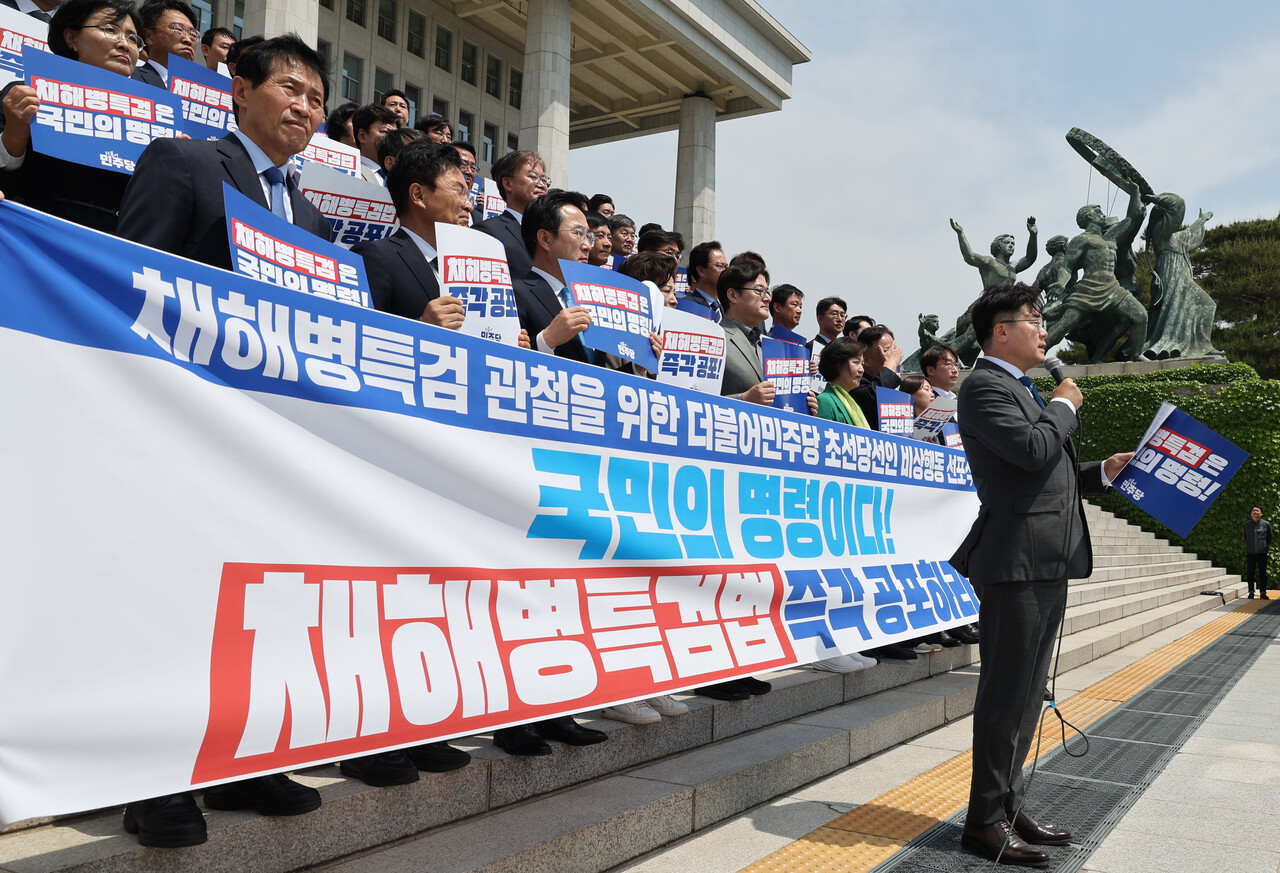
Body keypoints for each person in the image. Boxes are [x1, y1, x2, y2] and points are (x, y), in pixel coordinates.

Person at [115, 33, 337, 847]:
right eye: (290, 88)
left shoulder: (311, 217)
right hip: (187, 420)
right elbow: (132, 280)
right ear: (238, 89)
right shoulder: (183, 161)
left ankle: (243, 760)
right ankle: (153, 779)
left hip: (273, 439)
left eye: (316, 98)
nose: (305, 107)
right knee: (178, 597)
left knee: (255, 601)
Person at [951, 282, 1132, 867]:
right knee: (1006, 695)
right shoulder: (983, 386)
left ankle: (1007, 805)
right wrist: (1065, 405)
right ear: (1001, 331)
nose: (1044, 329)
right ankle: (982, 821)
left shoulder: (1020, 388)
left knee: (1029, 696)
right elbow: (1031, 450)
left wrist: (1101, 471)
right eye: (1033, 318)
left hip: (1046, 558)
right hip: (1015, 561)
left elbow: (1044, 471)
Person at [0, 0, 143, 231]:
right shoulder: (25, 95)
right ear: (71, 38)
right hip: (36, 236)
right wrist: (13, 138)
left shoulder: (151, 116)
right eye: (110, 29)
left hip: (117, 245)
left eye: (133, 39)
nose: (125, 44)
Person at [351, 141, 468, 326]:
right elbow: (359, 331)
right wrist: (422, 325)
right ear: (418, 195)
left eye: (467, 195)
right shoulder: (375, 257)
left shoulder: (465, 267)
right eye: (458, 191)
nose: (468, 205)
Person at [475, 148, 547, 280]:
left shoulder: (551, 234)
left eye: (544, 179)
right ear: (508, 184)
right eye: (533, 176)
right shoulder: (488, 232)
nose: (541, 184)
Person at [131, 0, 197, 88]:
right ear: (149, 36)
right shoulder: (130, 78)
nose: (188, 40)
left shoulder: (202, 90)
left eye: (193, 34)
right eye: (178, 29)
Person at [851, 324, 904, 430]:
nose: (893, 356)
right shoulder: (854, 383)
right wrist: (890, 365)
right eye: (887, 351)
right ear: (866, 359)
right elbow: (875, 396)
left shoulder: (894, 382)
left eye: (894, 350)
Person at [353, 103, 399, 186]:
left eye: (394, 134)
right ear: (362, 136)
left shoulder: (398, 176)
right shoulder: (350, 172)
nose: (392, 138)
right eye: (384, 132)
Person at [680, 239, 726, 318]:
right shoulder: (687, 306)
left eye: (726, 267)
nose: (725, 271)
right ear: (701, 271)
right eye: (720, 266)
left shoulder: (724, 308)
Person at [451, 140, 483, 225]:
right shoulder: (433, 211)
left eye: (473, 168)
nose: (469, 172)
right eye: (463, 164)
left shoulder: (481, 221)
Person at [1244, 506, 1273, 600]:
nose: (1255, 512)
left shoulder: (1266, 524)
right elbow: (1245, 537)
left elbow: (1269, 537)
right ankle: (1251, 592)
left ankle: (1263, 593)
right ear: (1251, 513)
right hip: (1250, 553)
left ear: (1261, 513)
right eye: (1253, 510)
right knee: (1250, 573)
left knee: (1263, 573)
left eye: (1257, 511)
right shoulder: (1246, 525)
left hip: (1262, 553)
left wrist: (1264, 546)